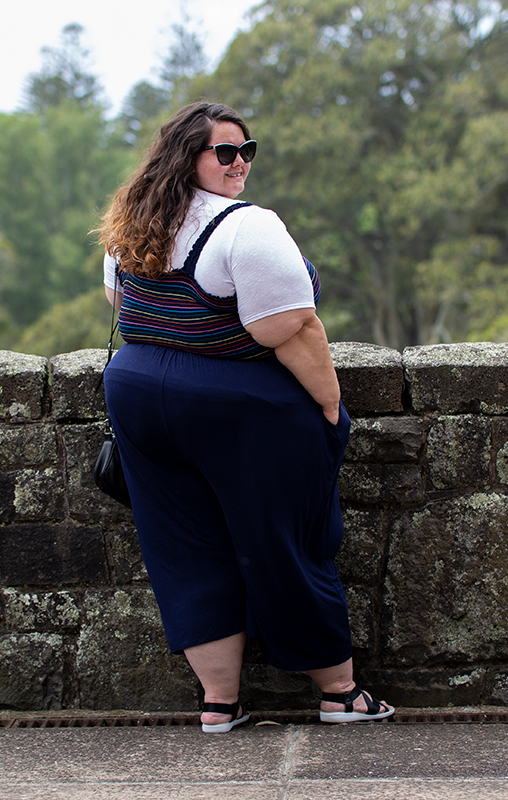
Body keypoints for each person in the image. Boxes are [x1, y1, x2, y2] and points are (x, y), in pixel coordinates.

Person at [97, 101, 394, 732]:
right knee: (283, 541)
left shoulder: (130, 228)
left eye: (246, 151)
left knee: (183, 547)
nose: (240, 164)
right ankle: (339, 694)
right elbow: (292, 330)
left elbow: (129, 314)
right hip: (236, 407)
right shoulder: (246, 228)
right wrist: (331, 409)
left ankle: (219, 704)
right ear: (188, 158)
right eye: (225, 152)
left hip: (138, 395)